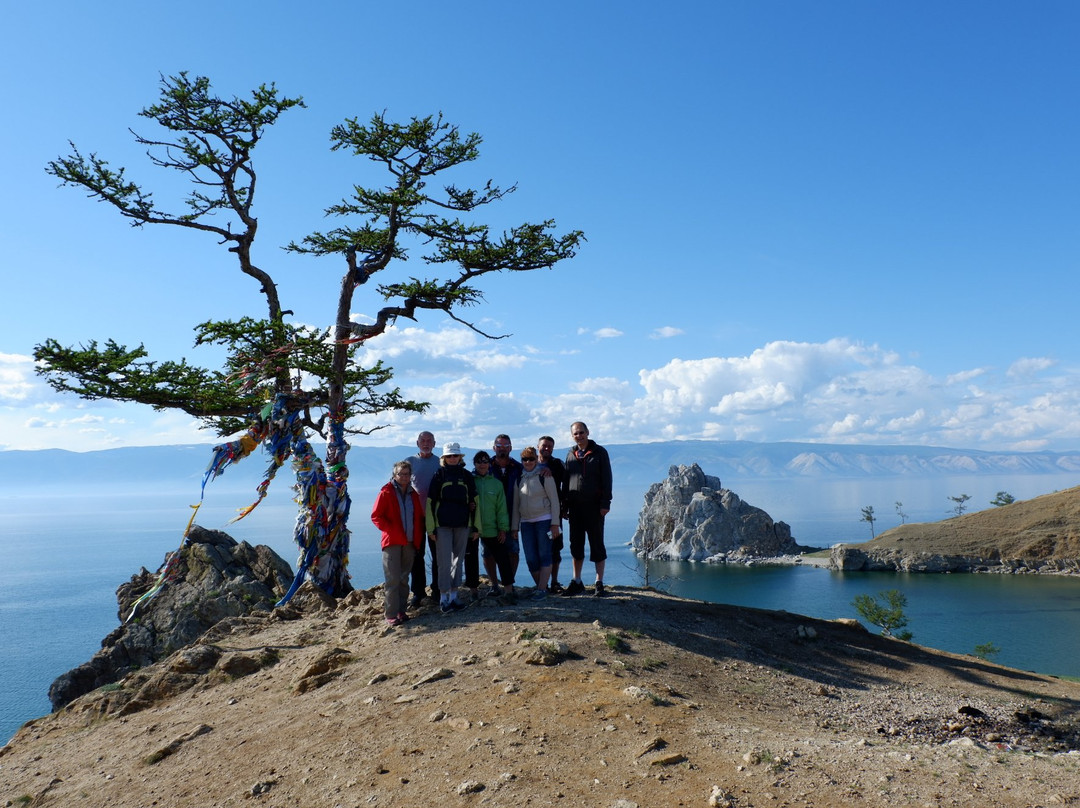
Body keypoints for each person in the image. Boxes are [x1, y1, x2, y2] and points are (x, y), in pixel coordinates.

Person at [425, 442, 481, 613]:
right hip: (442, 526)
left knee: (458, 561)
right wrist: (431, 528)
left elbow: (475, 502)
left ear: (460, 457)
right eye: (449, 456)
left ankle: (454, 596)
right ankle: (443, 598)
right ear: (444, 458)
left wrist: (476, 527)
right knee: (443, 562)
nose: (452, 458)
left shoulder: (466, 476)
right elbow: (430, 503)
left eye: (455, 455)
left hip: (463, 525)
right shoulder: (439, 475)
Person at [370, 461, 425, 626]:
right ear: (395, 475)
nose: (404, 477)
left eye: (407, 474)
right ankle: (391, 614)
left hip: (409, 542)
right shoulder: (386, 492)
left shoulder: (413, 494)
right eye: (401, 474)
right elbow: (376, 516)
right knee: (392, 579)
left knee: (403, 578)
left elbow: (418, 517)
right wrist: (391, 530)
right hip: (392, 542)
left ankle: (401, 610)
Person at [562, 421, 613, 597]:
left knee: (597, 544)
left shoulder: (600, 452)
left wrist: (606, 503)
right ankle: (577, 581)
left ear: (588, 432)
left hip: (594, 507)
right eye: (576, 433)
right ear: (572, 435)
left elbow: (607, 478)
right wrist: (564, 505)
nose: (579, 436)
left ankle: (599, 583)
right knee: (576, 545)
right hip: (575, 507)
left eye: (581, 432)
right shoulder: (570, 454)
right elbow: (566, 481)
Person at [510, 446, 561, 600]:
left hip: (544, 521)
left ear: (536, 459)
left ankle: (541, 590)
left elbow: (554, 501)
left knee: (545, 555)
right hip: (526, 523)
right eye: (525, 459)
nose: (528, 462)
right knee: (531, 558)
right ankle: (542, 588)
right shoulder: (520, 478)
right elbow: (515, 505)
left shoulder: (545, 476)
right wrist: (514, 527)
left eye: (531, 459)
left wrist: (555, 524)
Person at [403, 431, 440, 609]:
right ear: (417, 443)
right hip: (415, 517)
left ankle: (438, 590)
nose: (426, 443)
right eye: (423, 441)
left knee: (437, 555)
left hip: (436, 516)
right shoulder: (409, 462)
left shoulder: (439, 462)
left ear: (434, 443)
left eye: (429, 441)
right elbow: (399, 485)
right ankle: (418, 592)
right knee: (416, 554)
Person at [471, 450, 514, 599]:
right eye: (479, 461)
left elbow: (501, 509)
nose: (482, 464)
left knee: (502, 558)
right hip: (473, 528)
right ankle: (474, 592)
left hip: (492, 527)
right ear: (474, 464)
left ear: (489, 464)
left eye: (485, 461)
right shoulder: (470, 481)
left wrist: (503, 528)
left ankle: (508, 590)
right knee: (471, 560)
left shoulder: (496, 484)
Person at [489, 434, 523, 588]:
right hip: (489, 516)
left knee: (513, 550)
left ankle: (509, 582)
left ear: (511, 447)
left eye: (505, 445)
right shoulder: (485, 466)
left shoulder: (518, 467)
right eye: (499, 445)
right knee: (488, 552)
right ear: (494, 447)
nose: (502, 448)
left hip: (512, 514)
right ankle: (494, 585)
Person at [537, 435, 567, 593]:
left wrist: (564, 508)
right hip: (535, 515)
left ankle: (554, 582)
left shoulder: (557, 464)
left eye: (550, 446)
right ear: (538, 446)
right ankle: (541, 584)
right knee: (538, 550)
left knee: (555, 549)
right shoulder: (529, 463)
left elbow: (567, 485)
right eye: (544, 446)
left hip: (554, 515)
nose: (546, 448)